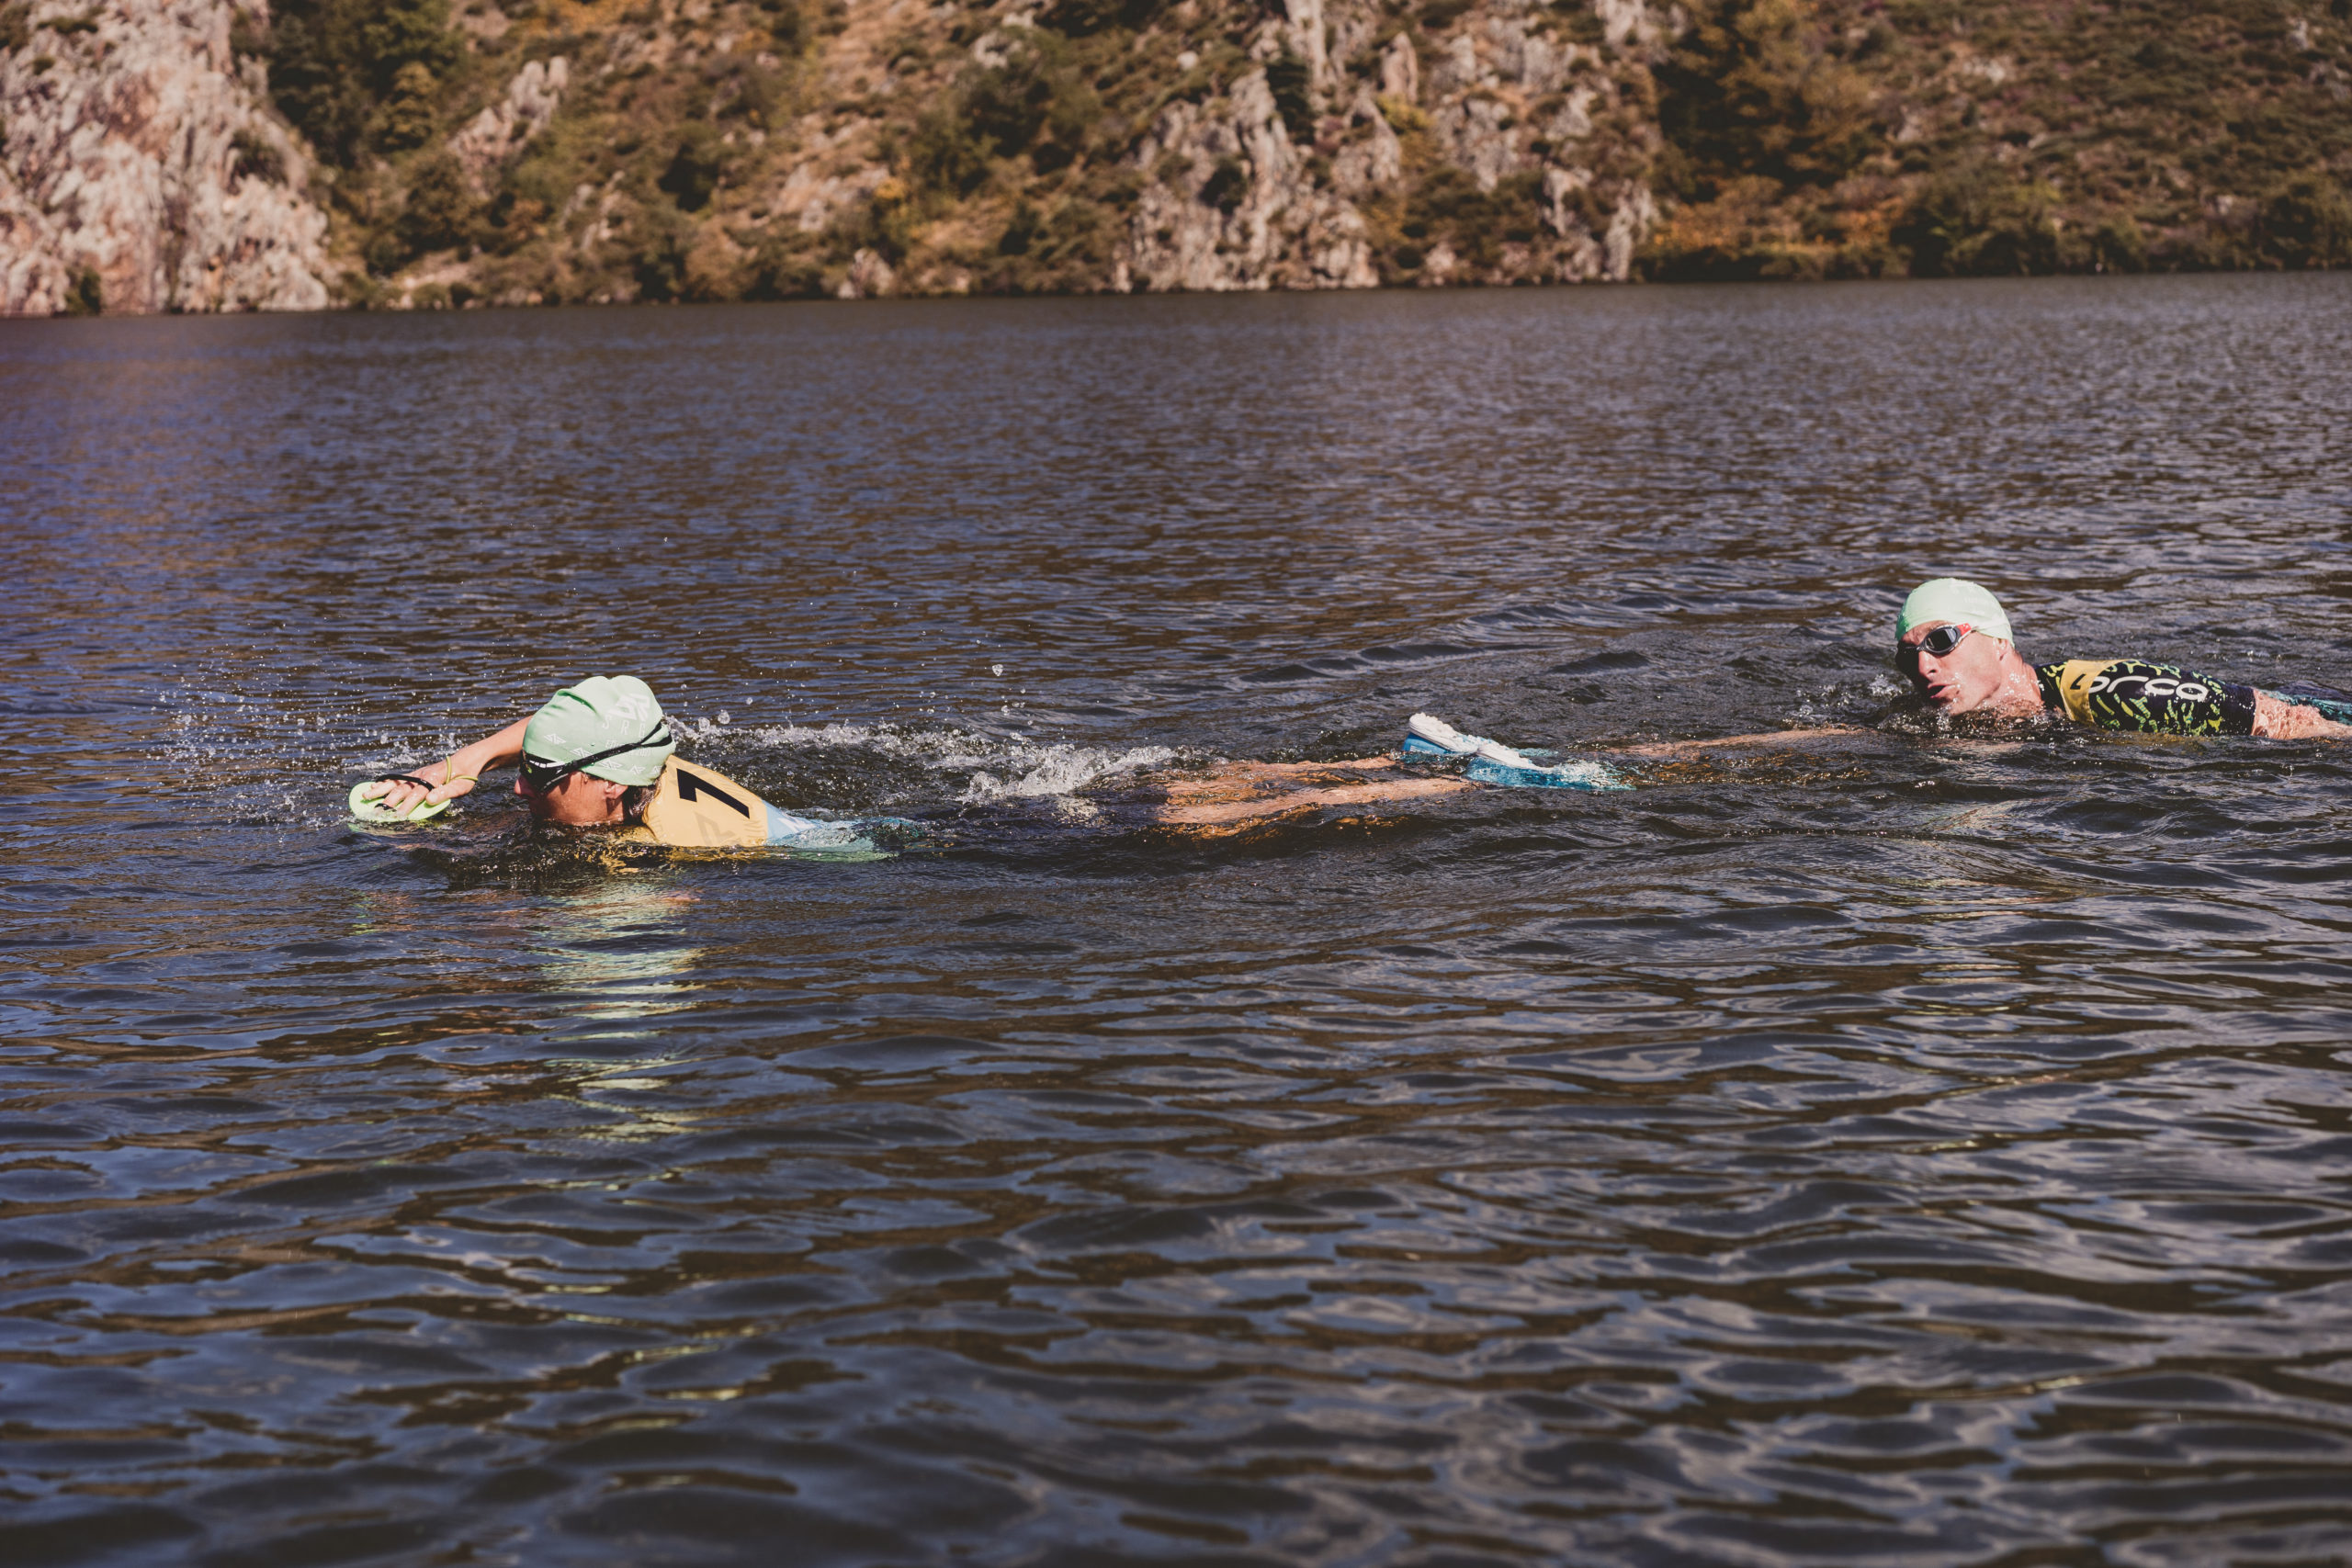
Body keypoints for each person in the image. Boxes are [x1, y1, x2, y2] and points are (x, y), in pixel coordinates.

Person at [358, 676, 867, 848]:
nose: (519, 786)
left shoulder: (658, 845)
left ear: (610, 785)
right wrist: (464, 763)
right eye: (524, 766)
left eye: (539, 774)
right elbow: (562, 724)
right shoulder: (632, 755)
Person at [1894, 578, 2352, 739]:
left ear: (1998, 641)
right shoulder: (1936, 712)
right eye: (1909, 655)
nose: (1924, 666)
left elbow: (2291, 722)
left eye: (1942, 640)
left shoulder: (2118, 692)